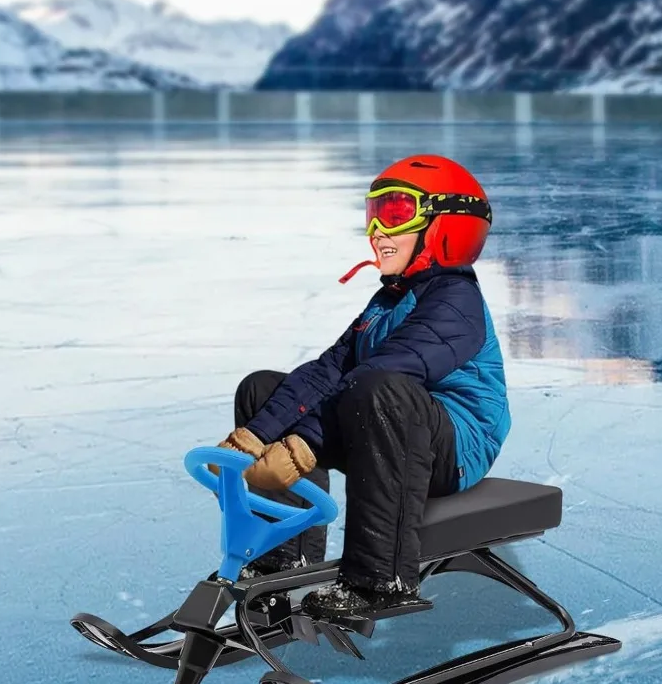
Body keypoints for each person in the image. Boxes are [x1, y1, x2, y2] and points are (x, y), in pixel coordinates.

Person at [216, 154, 511, 621]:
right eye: (374, 215)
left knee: (381, 389)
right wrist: (253, 436)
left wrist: (302, 446)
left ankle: (380, 580)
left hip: (451, 446)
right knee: (263, 390)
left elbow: (389, 375)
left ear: (444, 226)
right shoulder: (388, 299)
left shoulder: (456, 302)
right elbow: (327, 371)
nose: (377, 231)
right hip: (383, 428)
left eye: (395, 214)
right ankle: (282, 562)